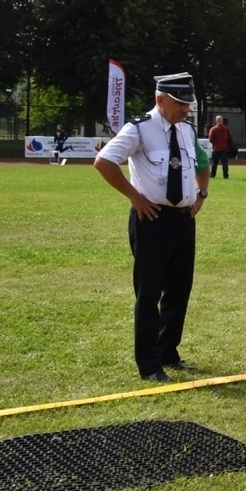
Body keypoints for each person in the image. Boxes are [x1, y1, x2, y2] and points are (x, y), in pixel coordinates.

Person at [94, 73, 209, 382]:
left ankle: (168, 351)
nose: (186, 109)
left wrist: (201, 193)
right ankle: (149, 364)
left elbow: (202, 163)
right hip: (152, 219)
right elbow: (104, 161)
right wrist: (135, 197)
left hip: (184, 220)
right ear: (160, 100)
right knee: (149, 293)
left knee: (179, 289)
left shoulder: (186, 131)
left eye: (188, 104)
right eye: (180, 104)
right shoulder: (139, 129)